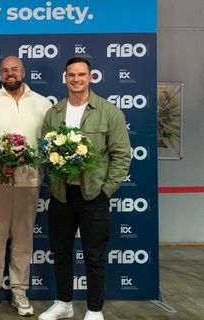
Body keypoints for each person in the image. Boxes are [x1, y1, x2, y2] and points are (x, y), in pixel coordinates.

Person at [38, 57, 131, 320]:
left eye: (81, 75)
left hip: (94, 196)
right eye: (71, 75)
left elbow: (122, 155)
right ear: (65, 78)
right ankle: (64, 303)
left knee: (94, 255)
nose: (76, 79)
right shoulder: (53, 113)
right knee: (61, 251)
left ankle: (94, 309)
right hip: (61, 194)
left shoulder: (109, 112)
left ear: (91, 77)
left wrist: (106, 190)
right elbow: (44, 153)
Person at [0, 56, 52, 316]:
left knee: (23, 239)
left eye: (14, 69)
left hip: (30, 182)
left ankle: (19, 290)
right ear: (0, 74)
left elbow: (49, 144)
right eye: (5, 70)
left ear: (23, 72)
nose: (10, 74)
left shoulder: (43, 103)